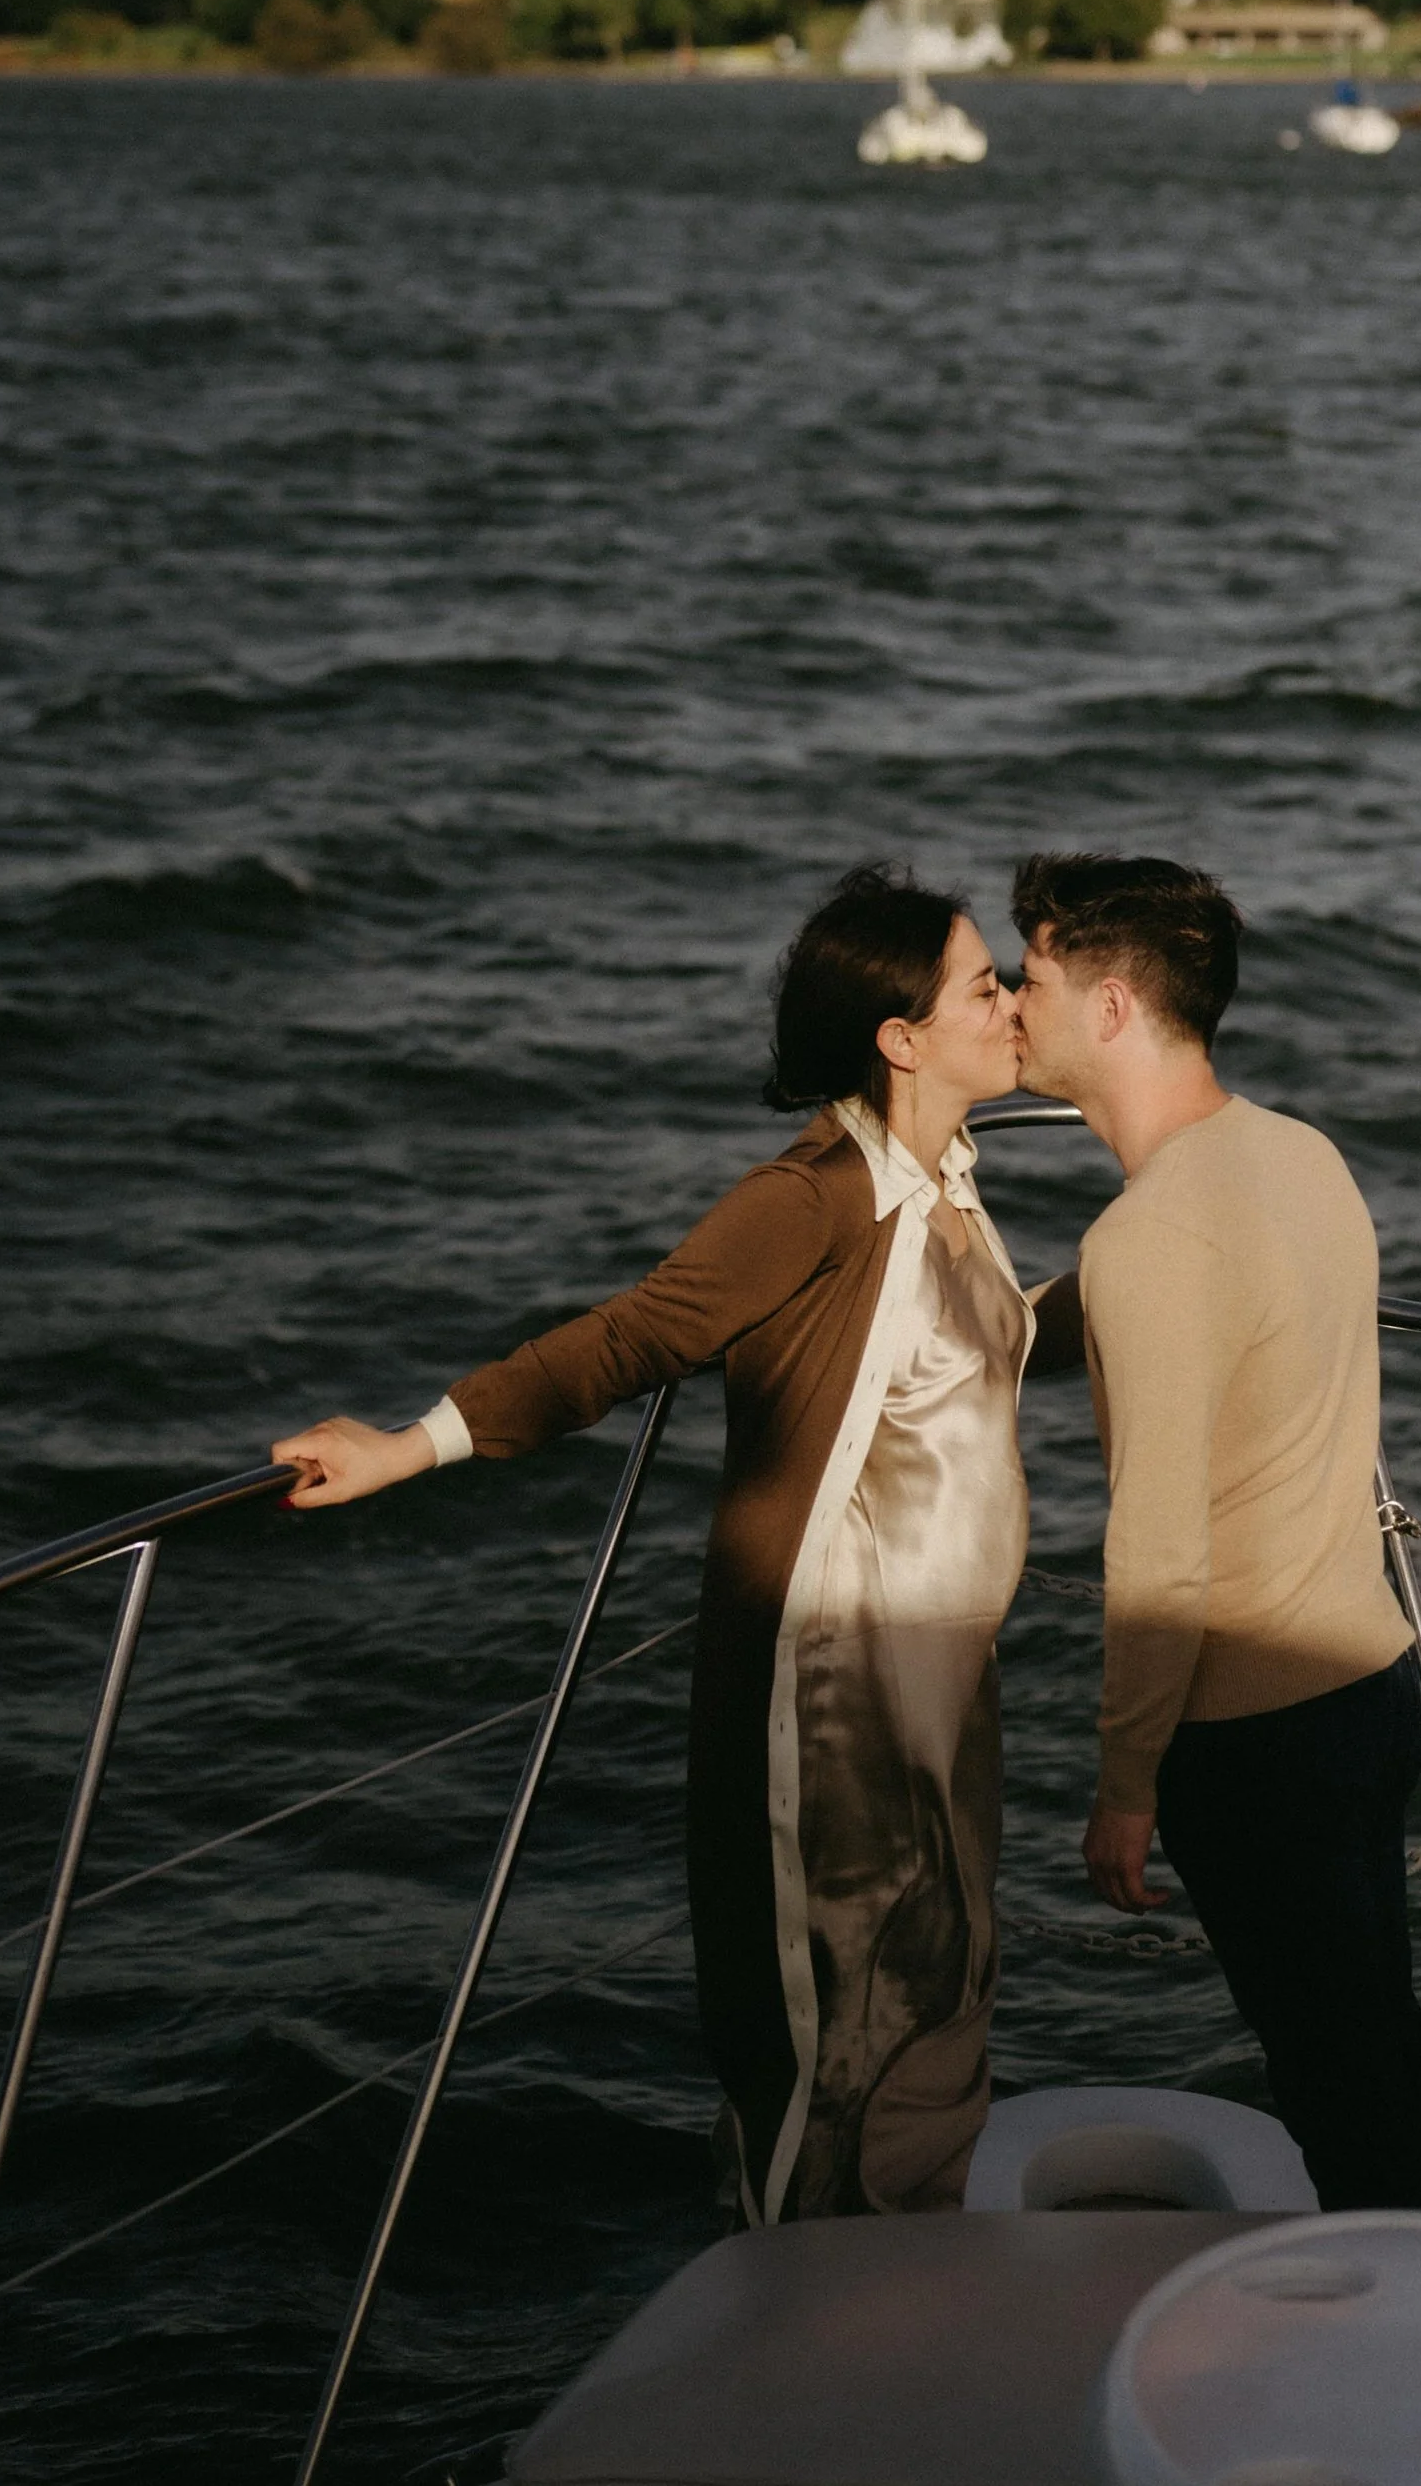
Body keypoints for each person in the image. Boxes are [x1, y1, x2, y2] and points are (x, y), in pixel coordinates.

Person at [270, 865, 1040, 2226]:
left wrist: (1176, 1281)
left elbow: (980, 1355)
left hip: (942, 1678)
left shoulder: (950, 1187)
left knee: (932, 1994)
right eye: (988, 983)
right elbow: (633, 1338)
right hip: (833, 1689)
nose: (1016, 999)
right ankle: (802, 2359)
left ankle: (910, 2348)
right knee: (832, 2035)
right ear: (901, 1038)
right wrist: (408, 1444)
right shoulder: (815, 1196)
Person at [1010, 850, 1421, 2213]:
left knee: (1339, 2087)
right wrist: (999, 1324)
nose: (1009, 1002)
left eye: (1029, 976)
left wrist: (1123, 1782)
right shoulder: (1293, 1154)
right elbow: (1180, 1311)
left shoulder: (1149, 1236)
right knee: (1378, 2059)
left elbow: (1157, 1551)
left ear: (1109, 1007)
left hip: (1253, 1733)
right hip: (1369, 1687)